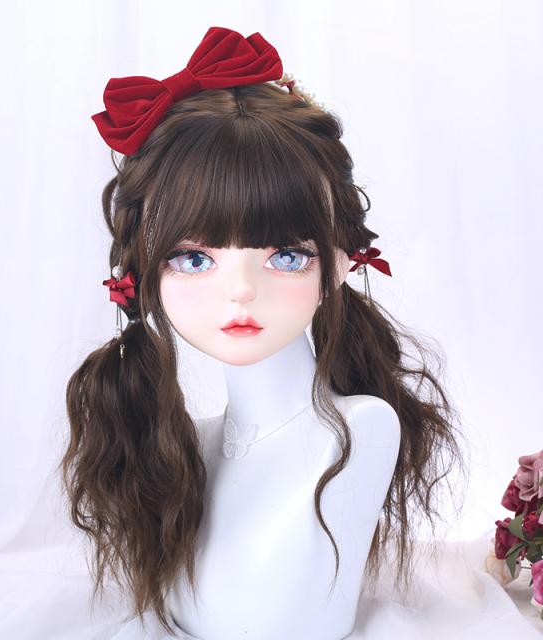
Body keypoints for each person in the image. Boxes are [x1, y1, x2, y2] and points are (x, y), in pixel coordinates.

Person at [59, 26, 468, 639]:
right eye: (195, 258)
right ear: (142, 272)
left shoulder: (360, 433)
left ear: (339, 262)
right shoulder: (191, 447)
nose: (241, 289)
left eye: (285, 255)